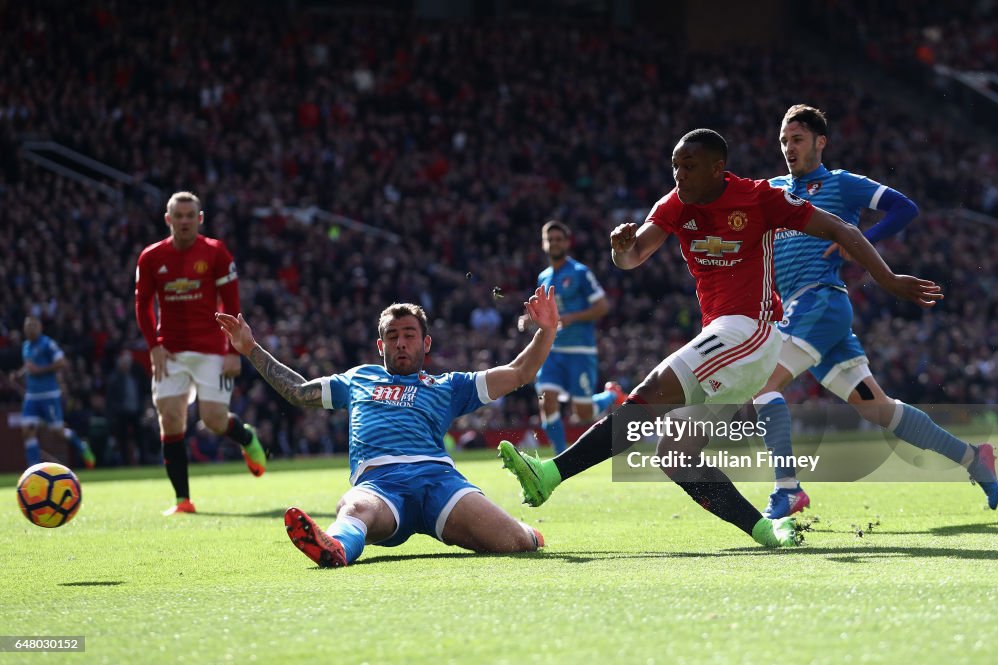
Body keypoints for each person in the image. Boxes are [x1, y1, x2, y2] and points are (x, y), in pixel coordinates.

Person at [498, 128, 942, 549]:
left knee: (652, 392)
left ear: (718, 168)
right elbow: (633, 257)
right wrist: (620, 247)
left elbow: (841, 230)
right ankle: (766, 531)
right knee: (675, 453)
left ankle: (551, 474)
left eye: (689, 166)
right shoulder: (674, 204)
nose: (679, 175)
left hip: (751, 331)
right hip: (728, 344)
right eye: (675, 166)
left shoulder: (758, 198)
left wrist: (886, 278)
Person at [753, 104, 998, 518]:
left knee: (764, 383)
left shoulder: (841, 184)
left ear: (820, 142)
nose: (789, 148)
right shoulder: (773, 190)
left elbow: (905, 208)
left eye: (797, 139)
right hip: (802, 311)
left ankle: (787, 489)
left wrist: (859, 239)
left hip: (819, 301)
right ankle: (973, 457)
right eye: (783, 141)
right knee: (876, 408)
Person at [214, 286, 559, 568]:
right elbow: (299, 392)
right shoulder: (359, 378)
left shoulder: (449, 385)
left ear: (426, 343)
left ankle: (525, 531)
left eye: (409, 335)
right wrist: (251, 349)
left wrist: (547, 329)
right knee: (354, 508)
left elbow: (519, 372)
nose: (401, 343)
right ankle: (335, 547)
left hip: (438, 481)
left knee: (516, 544)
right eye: (392, 336)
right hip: (379, 484)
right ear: (381, 346)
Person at [135, 191, 267, 516]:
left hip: (212, 349)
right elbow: (143, 306)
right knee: (170, 418)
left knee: (213, 420)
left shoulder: (216, 252)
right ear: (168, 219)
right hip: (171, 350)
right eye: (177, 216)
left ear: (200, 218)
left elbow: (232, 304)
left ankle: (246, 437)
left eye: (189, 216)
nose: (183, 221)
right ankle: (183, 501)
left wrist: (233, 349)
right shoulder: (151, 257)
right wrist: (154, 346)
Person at [520, 220, 625, 453]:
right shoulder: (543, 277)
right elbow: (546, 313)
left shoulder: (580, 273)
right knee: (547, 402)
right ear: (544, 244)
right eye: (550, 240)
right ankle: (560, 458)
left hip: (580, 350)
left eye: (559, 239)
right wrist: (529, 319)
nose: (555, 243)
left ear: (567, 243)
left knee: (583, 413)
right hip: (552, 350)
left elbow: (602, 306)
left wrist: (572, 317)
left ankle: (611, 395)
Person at [18, 316, 95, 469]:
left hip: (49, 394)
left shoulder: (47, 344)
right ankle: (33, 468)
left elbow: (62, 362)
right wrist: (19, 374)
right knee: (27, 431)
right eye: (27, 326)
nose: (29, 328)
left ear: (39, 327)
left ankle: (82, 446)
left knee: (57, 431)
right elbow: (29, 366)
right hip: (31, 396)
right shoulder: (26, 346)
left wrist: (39, 370)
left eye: (33, 325)